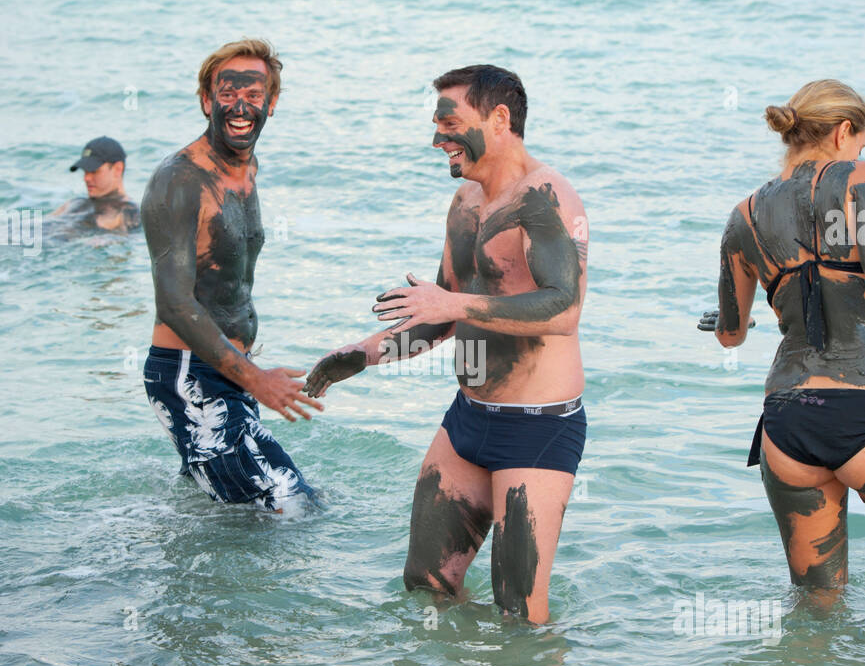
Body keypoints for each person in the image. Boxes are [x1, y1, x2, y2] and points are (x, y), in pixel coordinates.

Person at [307, 64, 589, 623]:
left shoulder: (546, 198)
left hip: (536, 426)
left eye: (449, 123)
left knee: (519, 615)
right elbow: (440, 316)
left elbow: (565, 309)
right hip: (468, 419)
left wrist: (452, 305)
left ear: (499, 118)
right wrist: (364, 353)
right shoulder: (464, 205)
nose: (438, 139)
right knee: (426, 583)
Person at [140, 38, 322, 513]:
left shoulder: (246, 169)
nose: (241, 106)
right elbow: (174, 304)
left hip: (225, 372)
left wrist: (245, 366)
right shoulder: (180, 181)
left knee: (244, 511)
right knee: (289, 506)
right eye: (227, 93)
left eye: (254, 95)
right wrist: (257, 380)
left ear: (272, 103)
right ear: (207, 101)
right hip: (188, 375)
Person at [704, 79, 865, 600]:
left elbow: (730, 335)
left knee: (818, 608)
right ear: (844, 132)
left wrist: (735, 323)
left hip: (791, 420)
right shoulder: (860, 188)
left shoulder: (746, 214)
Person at [53, 137, 140, 233]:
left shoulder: (128, 211)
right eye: (85, 171)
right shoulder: (73, 203)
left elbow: (125, 239)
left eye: (94, 171)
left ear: (117, 169)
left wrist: (107, 240)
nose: (86, 178)